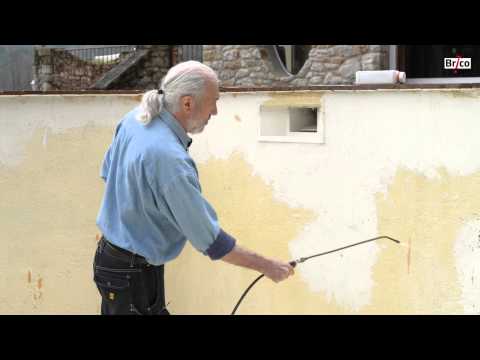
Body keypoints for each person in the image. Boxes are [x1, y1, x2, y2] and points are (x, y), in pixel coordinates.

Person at [93, 60, 294, 315]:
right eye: (214, 101)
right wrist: (269, 266)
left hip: (112, 262)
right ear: (187, 103)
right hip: (132, 274)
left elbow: (108, 174)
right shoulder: (170, 160)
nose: (216, 111)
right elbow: (212, 243)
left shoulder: (134, 119)